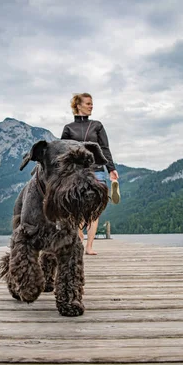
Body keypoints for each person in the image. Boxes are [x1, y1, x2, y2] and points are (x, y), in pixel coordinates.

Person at [61, 92, 119, 255]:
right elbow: (63, 151)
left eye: (92, 103)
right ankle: (79, 239)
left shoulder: (97, 125)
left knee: (95, 209)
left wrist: (111, 169)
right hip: (76, 173)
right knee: (76, 209)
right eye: (88, 103)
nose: (91, 106)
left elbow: (105, 149)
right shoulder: (68, 128)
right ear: (78, 105)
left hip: (97, 171)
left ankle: (89, 246)